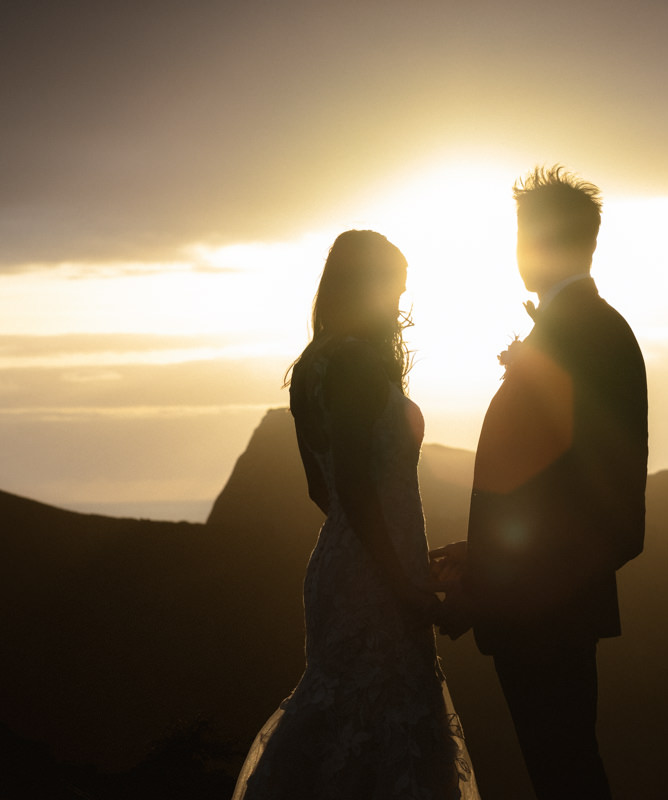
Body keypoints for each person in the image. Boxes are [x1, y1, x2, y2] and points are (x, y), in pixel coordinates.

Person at [232, 230, 479, 800]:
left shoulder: (314, 364)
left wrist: (382, 544)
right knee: (386, 719)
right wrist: (401, 578)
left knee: (347, 717)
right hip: (374, 578)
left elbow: (324, 491)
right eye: (391, 292)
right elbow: (357, 487)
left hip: (345, 563)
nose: (398, 309)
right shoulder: (356, 365)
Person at [431, 167, 647, 800]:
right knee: (561, 773)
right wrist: (481, 555)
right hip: (540, 610)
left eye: (526, 233)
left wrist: (490, 589)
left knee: (567, 776)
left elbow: (612, 517)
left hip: (549, 617)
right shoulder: (574, 330)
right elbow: (549, 486)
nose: (519, 250)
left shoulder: (592, 337)